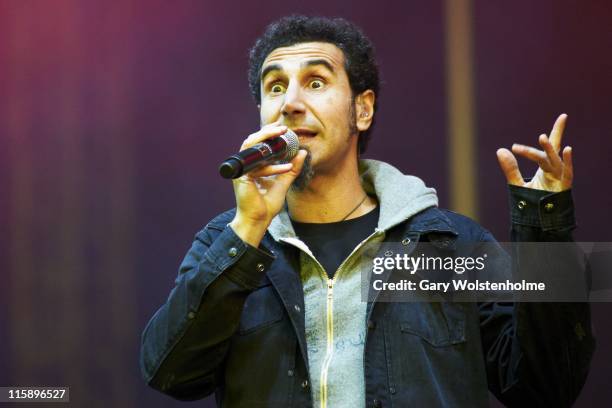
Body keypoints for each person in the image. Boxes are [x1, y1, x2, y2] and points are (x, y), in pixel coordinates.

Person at [140, 15, 594, 407]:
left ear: (363, 109)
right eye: (275, 87)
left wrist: (544, 226)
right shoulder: (228, 243)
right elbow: (170, 373)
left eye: (316, 82)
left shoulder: (449, 244)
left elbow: (545, 389)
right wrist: (248, 228)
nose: (291, 102)